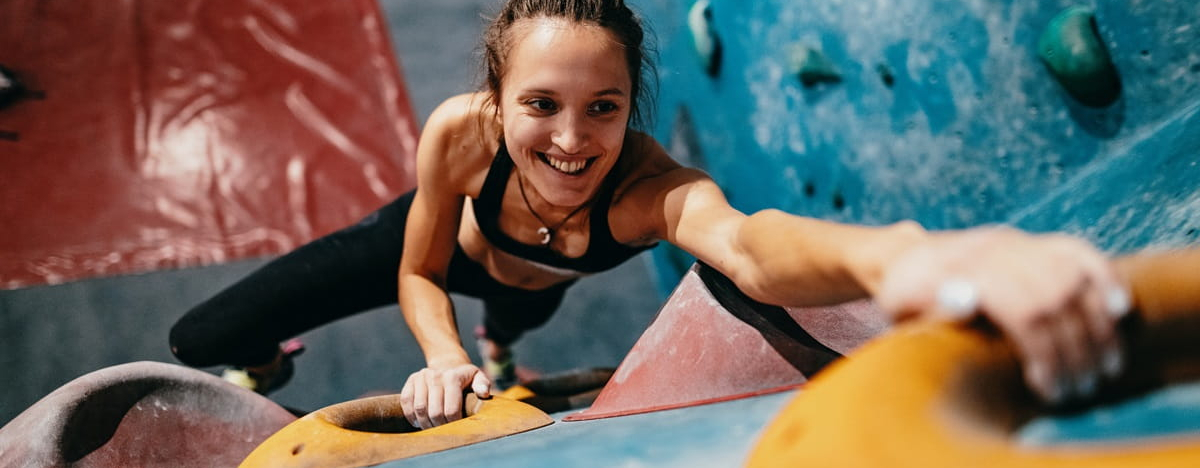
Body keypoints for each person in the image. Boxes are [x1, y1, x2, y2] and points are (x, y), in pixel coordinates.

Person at [169, 0, 1130, 430]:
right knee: (199, 335)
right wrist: (441, 357)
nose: (571, 142)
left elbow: (751, 249)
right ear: (498, 103)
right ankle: (280, 362)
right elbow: (417, 273)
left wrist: (907, 259)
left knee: (514, 327)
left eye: (604, 108)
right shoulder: (460, 137)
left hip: (535, 290)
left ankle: (503, 355)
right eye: (540, 105)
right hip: (441, 250)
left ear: (631, 107)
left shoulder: (645, 194)